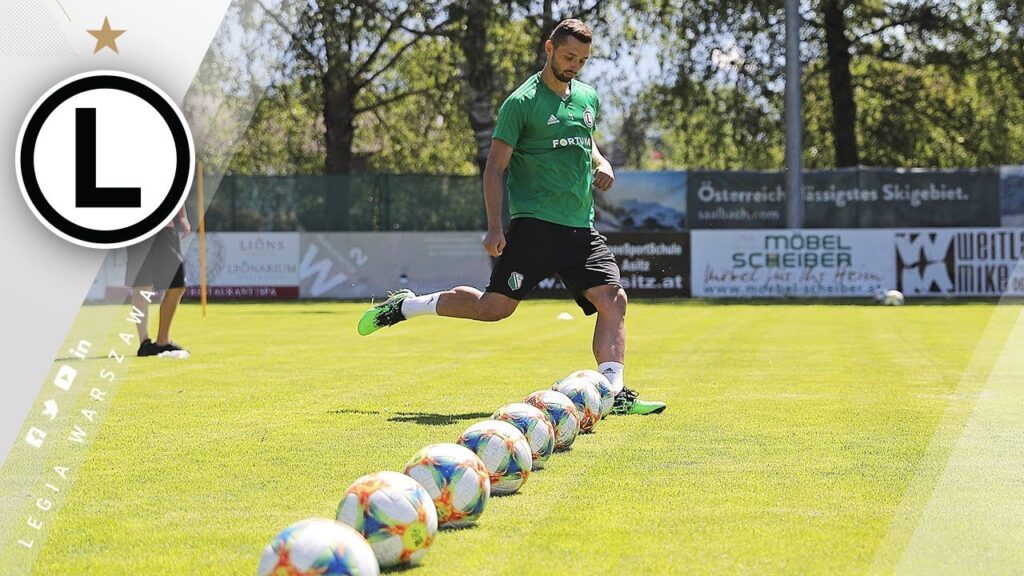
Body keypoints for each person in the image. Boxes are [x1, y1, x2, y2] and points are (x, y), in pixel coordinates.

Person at [357, 19, 665, 415]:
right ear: (549, 48)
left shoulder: (587, 97)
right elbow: (494, 168)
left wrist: (604, 163)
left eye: (583, 59)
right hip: (534, 225)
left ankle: (613, 392)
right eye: (569, 56)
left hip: (580, 227)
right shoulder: (521, 103)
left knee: (613, 299)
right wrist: (494, 226)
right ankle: (407, 306)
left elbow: (586, 143)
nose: (575, 65)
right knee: (493, 310)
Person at [126, 206, 191, 357]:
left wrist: (182, 216)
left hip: (166, 229)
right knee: (142, 285)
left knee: (177, 285)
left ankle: (163, 340)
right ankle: (144, 343)